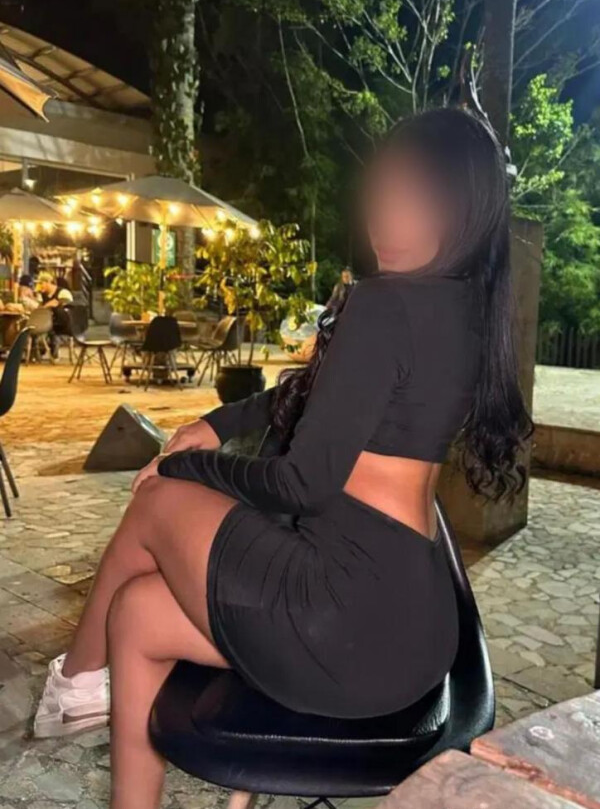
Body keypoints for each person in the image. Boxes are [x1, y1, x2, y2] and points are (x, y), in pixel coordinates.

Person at [34, 109, 533, 809]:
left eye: (417, 201)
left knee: (158, 498)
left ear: (465, 209)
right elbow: (321, 394)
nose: (388, 219)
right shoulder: (467, 310)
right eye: (384, 194)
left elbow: (300, 484)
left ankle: (76, 684)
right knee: (138, 613)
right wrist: (216, 425)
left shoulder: (385, 307)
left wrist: (185, 467)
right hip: (416, 640)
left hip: (342, 618)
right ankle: (97, 724)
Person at [37, 272, 73, 358]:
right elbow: (40, 308)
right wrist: (47, 305)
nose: (40, 286)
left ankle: (53, 349)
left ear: (48, 282)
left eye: (41, 283)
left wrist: (57, 305)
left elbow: (68, 308)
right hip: (47, 322)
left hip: (62, 324)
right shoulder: (42, 295)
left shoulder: (63, 292)